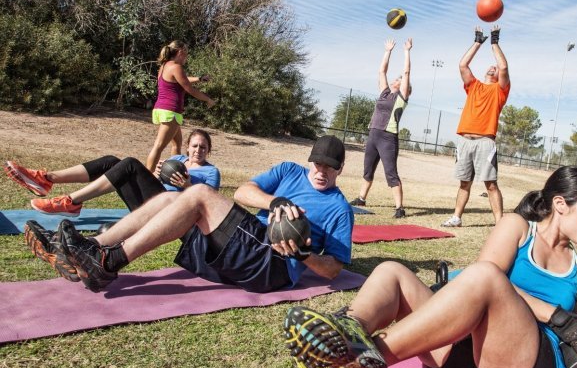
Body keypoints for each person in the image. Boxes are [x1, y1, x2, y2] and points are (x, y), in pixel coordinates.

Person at [283, 166, 577, 368]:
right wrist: (559, 315)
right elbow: (487, 279)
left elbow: (568, 338)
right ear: (561, 204)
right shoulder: (517, 228)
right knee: (392, 271)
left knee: (485, 278)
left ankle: (358, 365)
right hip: (463, 360)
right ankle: (349, 329)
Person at [27, 136, 353, 293]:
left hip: (273, 267)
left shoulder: (339, 209)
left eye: (330, 166)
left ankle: (107, 263)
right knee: (172, 201)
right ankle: (90, 249)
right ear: (310, 160)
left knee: (197, 193)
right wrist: (275, 201)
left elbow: (332, 271)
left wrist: (306, 254)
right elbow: (242, 192)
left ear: (340, 168)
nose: (322, 171)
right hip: (249, 243)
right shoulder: (288, 171)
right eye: (318, 163)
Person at [5, 129, 220, 217]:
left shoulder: (211, 172)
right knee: (111, 162)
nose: (197, 150)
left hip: (165, 213)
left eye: (202, 147)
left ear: (208, 150)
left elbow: (207, 206)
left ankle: (71, 201)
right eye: (194, 146)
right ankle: (45, 179)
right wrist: (155, 174)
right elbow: (153, 182)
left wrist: (187, 186)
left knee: (129, 164)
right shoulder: (176, 160)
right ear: (188, 147)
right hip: (149, 200)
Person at [441, 25, 510, 227]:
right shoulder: (474, 85)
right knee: (464, 183)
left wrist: (495, 42)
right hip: (465, 141)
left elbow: (504, 67)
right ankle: (456, 217)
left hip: (485, 142)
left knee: (490, 184)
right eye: (491, 66)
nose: (493, 67)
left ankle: (500, 224)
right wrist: (478, 42)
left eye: (495, 68)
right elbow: (462, 65)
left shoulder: (500, 90)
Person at [349, 38, 413, 218]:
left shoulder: (401, 98)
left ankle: (400, 208)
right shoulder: (385, 93)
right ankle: (361, 199)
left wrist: (407, 51)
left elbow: (406, 72)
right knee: (368, 170)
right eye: (397, 78)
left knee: (391, 173)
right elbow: (381, 71)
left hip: (387, 137)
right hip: (373, 134)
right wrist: (388, 51)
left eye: (399, 79)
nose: (397, 79)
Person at [146, 41, 215, 172]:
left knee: (177, 144)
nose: (186, 58)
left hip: (163, 108)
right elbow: (190, 89)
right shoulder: (176, 67)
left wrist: (199, 78)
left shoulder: (165, 66)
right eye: (186, 55)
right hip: (170, 111)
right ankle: (146, 176)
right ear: (180, 52)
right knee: (159, 146)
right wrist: (208, 100)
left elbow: (182, 78)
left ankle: (173, 172)